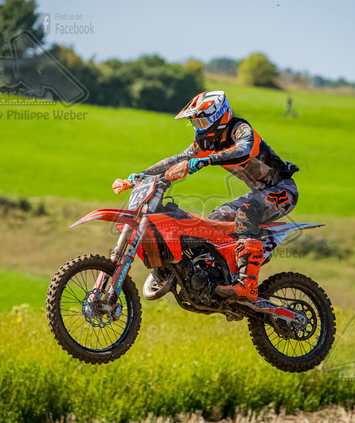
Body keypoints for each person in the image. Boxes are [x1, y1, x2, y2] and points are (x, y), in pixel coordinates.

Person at [128, 91, 299, 302]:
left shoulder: (240, 129)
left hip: (282, 189)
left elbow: (243, 150)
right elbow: (180, 158)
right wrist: (142, 175)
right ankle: (214, 276)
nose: (199, 128)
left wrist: (204, 161)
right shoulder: (207, 142)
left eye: (202, 121)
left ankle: (248, 284)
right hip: (258, 192)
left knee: (248, 212)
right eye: (195, 123)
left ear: (220, 116)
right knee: (213, 222)